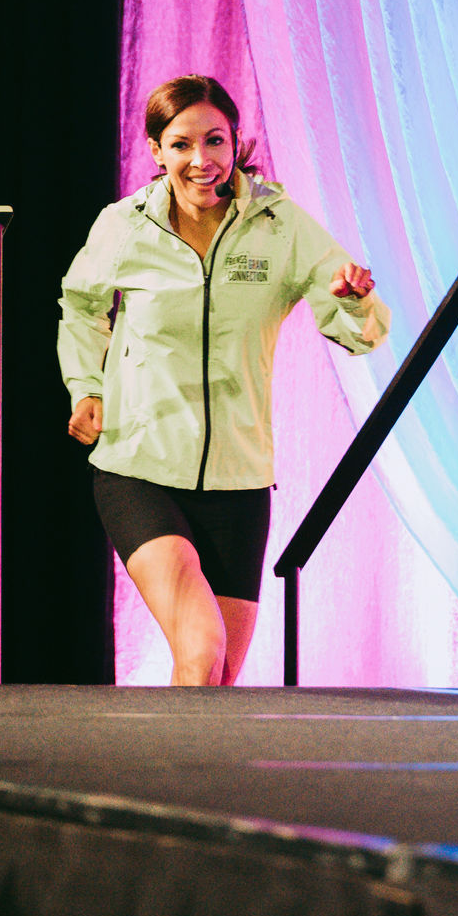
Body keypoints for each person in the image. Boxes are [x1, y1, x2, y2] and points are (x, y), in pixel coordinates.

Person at [58, 75, 390, 686]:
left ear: (235, 141)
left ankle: (169, 755)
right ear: (156, 150)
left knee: (216, 678)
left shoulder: (280, 226)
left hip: (240, 484)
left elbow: (358, 331)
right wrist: (88, 388)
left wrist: (353, 299)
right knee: (201, 648)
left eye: (215, 140)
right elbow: (80, 306)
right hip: (139, 468)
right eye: (181, 144)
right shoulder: (125, 224)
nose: (201, 159)